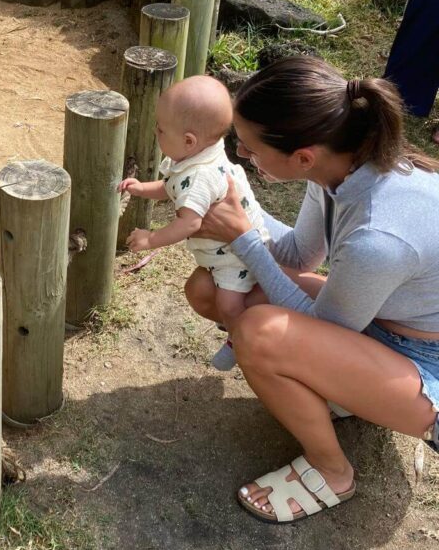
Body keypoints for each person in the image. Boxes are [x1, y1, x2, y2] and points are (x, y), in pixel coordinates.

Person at [184, 57, 439, 524]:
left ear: (303, 156)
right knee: (209, 287)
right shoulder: (341, 165)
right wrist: (243, 214)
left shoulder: (377, 237)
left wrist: (243, 236)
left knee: (259, 333)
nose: (243, 156)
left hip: (426, 369)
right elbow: (299, 254)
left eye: (251, 149)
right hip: (378, 323)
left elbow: (322, 327)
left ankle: (333, 473)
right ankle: (342, 397)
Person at [118, 75, 269, 370]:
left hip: (236, 258)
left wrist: (151, 238)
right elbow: (171, 188)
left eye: (160, 130)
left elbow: (189, 223)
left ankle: (239, 340)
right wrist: (140, 188)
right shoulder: (197, 157)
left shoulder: (201, 176)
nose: (155, 132)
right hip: (232, 248)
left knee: (228, 304)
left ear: (189, 140)